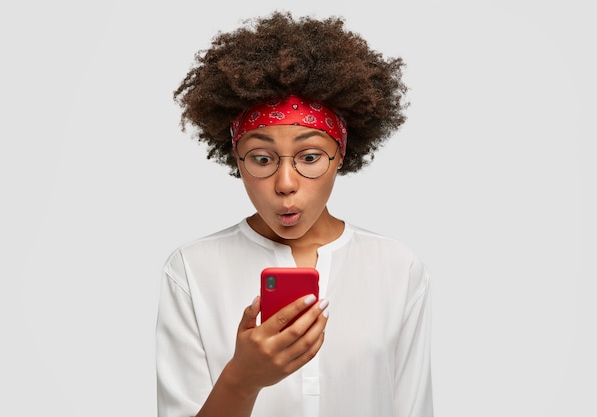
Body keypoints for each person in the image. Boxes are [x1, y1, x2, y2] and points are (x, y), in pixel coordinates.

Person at [156, 11, 433, 417]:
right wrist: (241, 379)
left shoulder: (397, 267)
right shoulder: (191, 270)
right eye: (262, 158)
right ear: (236, 159)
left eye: (309, 156)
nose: (286, 182)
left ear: (340, 155)